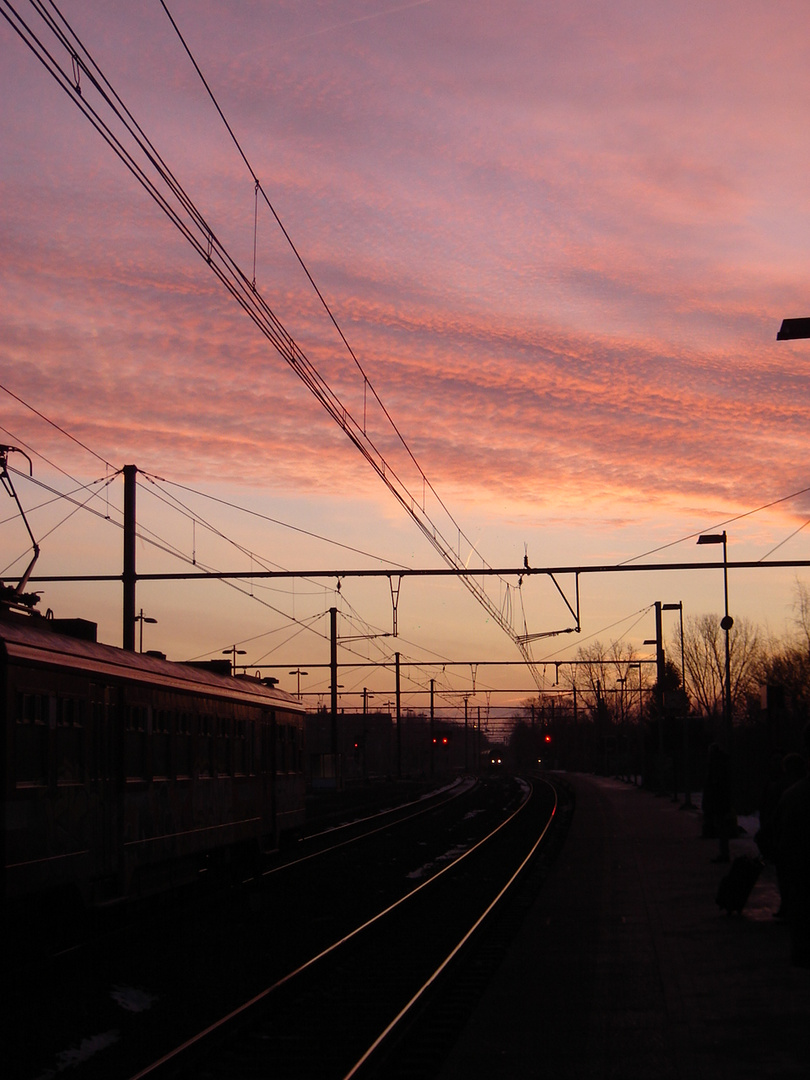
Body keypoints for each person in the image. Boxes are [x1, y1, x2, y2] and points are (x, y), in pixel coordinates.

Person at [773, 728, 810, 967]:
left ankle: (801, 951)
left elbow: (781, 829)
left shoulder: (791, 795)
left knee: (800, 904)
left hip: (798, 859)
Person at [702, 743, 733, 862]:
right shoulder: (721, 765)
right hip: (720, 801)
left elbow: (715, 786)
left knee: (722, 828)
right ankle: (724, 853)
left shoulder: (716, 767)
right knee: (721, 827)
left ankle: (724, 854)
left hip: (719, 802)